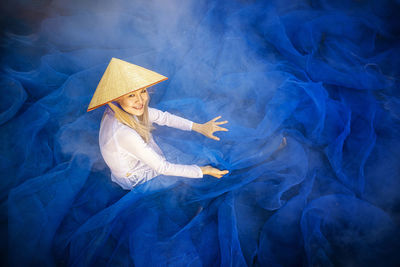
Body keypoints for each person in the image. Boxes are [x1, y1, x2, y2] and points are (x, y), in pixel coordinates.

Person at [87, 57, 229, 189]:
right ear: (115, 101)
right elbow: (163, 168)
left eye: (142, 91)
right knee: (187, 176)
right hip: (136, 178)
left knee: (176, 155)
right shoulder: (124, 134)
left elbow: (163, 117)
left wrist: (199, 127)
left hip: (133, 159)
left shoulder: (117, 110)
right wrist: (203, 171)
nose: (140, 100)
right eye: (131, 95)